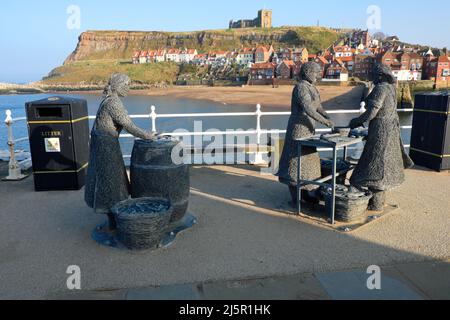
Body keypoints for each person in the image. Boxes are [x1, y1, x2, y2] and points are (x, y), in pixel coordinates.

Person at [85, 73, 155, 231]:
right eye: (126, 85)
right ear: (118, 86)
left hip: (103, 143)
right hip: (106, 145)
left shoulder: (108, 100)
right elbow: (129, 125)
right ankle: (114, 220)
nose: (128, 88)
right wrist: (147, 135)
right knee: (111, 180)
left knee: (108, 179)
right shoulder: (114, 103)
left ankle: (113, 217)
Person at [348, 64, 414, 212]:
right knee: (382, 163)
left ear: (380, 76)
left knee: (374, 163)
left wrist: (355, 122)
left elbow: (372, 112)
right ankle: (377, 202)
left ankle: (371, 202)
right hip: (391, 129)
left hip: (381, 130)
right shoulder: (391, 89)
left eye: (374, 74)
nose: (372, 77)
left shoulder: (381, 89)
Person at [277, 62, 334, 206]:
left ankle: (306, 193)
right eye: (315, 72)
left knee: (307, 162)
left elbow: (318, 106)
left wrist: (327, 116)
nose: (318, 75)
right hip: (298, 129)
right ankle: (296, 199)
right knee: (295, 162)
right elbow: (308, 108)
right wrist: (326, 123)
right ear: (307, 72)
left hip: (308, 129)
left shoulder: (312, 88)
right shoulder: (301, 88)